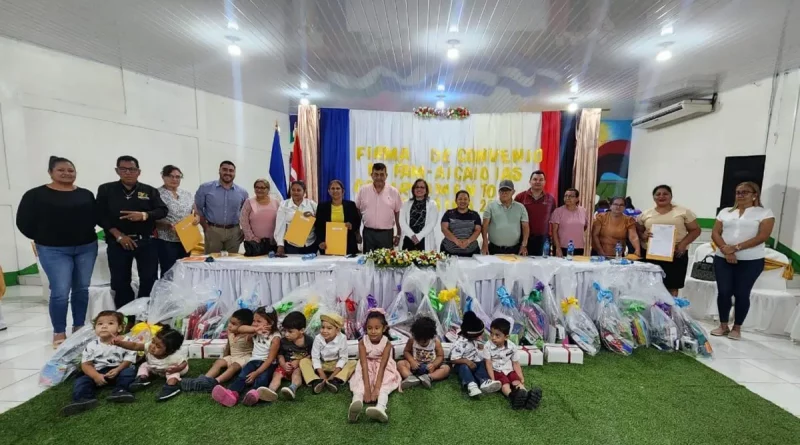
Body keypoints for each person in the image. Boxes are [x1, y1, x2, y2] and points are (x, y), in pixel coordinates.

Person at [16, 156, 98, 348]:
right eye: (61, 170)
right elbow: (24, 221)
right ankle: (59, 332)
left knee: (82, 289)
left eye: (70, 170)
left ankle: (79, 327)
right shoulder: (36, 194)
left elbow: (94, 216)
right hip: (53, 249)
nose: (67, 173)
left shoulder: (85, 194)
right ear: (51, 172)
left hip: (86, 247)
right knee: (60, 291)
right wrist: (42, 237)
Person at [96, 155, 167, 310]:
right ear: (117, 170)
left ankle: (144, 314)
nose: (128, 172)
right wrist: (118, 235)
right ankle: (125, 316)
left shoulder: (149, 191)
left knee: (149, 279)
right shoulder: (106, 190)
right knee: (120, 282)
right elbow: (100, 215)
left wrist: (144, 215)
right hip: (118, 241)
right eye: (124, 169)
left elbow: (162, 210)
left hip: (146, 241)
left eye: (132, 169)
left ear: (138, 172)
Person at [710, 182, 775, 341]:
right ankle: (723, 325)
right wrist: (726, 249)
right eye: (738, 192)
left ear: (755, 195)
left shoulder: (765, 213)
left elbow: (762, 236)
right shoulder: (725, 212)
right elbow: (715, 232)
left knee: (741, 293)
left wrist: (736, 248)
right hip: (723, 258)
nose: (740, 195)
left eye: (745, 192)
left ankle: (737, 327)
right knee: (724, 292)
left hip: (750, 261)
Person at [60, 311, 137, 416]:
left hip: (119, 369)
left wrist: (118, 369)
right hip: (98, 371)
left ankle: (121, 391)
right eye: (100, 324)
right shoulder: (92, 345)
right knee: (82, 380)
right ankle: (83, 399)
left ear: (119, 328)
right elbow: (86, 364)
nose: (104, 326)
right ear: (95, 328)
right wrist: (95, 376)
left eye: (110, 323)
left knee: (129, 372)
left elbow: (130, 357)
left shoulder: (126, 341)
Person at [638, 185, 701, 296]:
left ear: (671, 196)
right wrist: (643, 235)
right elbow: (638, 231)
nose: (661, 196)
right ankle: (652, 312)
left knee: (672, 287)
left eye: (665, 193)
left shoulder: (683, 212)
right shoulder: (646, 214)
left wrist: (683, 244)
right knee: (649, 285)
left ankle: (669, 312)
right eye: (658, 194)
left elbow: (695, 230)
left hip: (676, 254)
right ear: (653, 197)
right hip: (651, 255)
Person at [211, 307, 280, 407]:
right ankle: (231, 394)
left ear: (271, 323)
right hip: (254, 360)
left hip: (267, 364)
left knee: (262, 378)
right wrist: (256, 329)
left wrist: (256, 373)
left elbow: (270, 359)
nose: (255, 323)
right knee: (242, 375)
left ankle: (254, 394)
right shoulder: (255, 330)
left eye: (259, 321)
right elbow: (240, 329)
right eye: (254, 321)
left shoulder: (275, 338)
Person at [181, 308, 254, 393]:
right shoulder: (230, 332)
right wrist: (224, 358)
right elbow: (228, 346)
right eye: (230, 322)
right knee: (218, 362)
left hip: (244, 358)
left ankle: (215, 381)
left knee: (234, 366)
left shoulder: (247, 336)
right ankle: (203, 380)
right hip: (232, 356)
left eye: (234, 324)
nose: (230, 325)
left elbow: (253, 332)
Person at [348, 309, 401, 424]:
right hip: (366, 365)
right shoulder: (363, 342)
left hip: (383, 366)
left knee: (384, 386)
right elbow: (363, 364)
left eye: (377, 328)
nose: (373, 331)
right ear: (366, 328)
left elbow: (382, 366)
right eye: (369, 328)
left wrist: (376, 388)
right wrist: (367, 389)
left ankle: (381, 408)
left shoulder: (387, 343)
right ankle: (356, 403)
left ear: (384, 328)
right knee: (359, 383)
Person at [112, 325, 187, 402]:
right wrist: (120, 343)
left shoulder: (174, 357)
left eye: (158, 346)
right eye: (153, 342)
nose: (152, 346)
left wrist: (178, 368)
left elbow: (184, 363)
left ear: (169, 351)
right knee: (144, 365)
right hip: (155, 368)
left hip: (168, 369)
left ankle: (171, 386)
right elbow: (135, 346)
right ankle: (142, 378)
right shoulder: (149, 346)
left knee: (173, 374)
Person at [484, 318, 542, 410]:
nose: (493, 337)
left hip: (509, 369)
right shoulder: (487, 346)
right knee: (505, 383)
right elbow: (488, 363)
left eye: (497, 335)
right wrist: (493, 380)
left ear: (506, 337)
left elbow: (515, 363)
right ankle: (512, 396)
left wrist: (521, 377)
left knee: (516, 381)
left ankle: (527, 396)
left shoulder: (512, 346)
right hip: (497, 370)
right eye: (491, 333)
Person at [195, 160, 249, 254]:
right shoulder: (205, 188)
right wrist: (205, 227)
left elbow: (246, 214)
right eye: (224, 169)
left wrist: (244, 230)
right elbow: (198, 209)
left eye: (231, 170)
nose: (228, 173)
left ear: (234, 173)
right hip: (213, 230)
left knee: (232, 263)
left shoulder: (243, 192)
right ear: (219, 171)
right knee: (211, 262)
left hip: (234, 232)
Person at [260, 311, 313, 401]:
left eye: (290, 331)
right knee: (276, 375)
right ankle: (270, 391)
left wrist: (299, 362)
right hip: (285, 366)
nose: (286, 334)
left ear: (301, 330)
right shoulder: (284, 341)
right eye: (285, 330)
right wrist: (283, 364)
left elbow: (311, 355)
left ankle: (292, 388)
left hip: (298, 367)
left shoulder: (309, 341)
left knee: (297, 374)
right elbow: (280, 355)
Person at [155, 165, 197, 277]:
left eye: (178, 177)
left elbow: (195, 210)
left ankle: (182, 292)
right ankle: (167, 293)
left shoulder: (186, 194)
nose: (174, 179)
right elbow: (152, 217)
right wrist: (167, 225)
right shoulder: (156, 194)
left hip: (186, 238)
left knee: (185, 269)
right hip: (167, 239)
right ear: (163, 177)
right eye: (171, 176)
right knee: (169, 270)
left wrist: (197, 217)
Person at [300, 312, 357, 394]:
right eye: (323, 327)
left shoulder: (342, 338)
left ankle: (335, 380)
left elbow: (343, 358)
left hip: (335, 365)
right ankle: (315, 381)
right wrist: (321, 373)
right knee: (304, 361)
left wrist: (333, 375)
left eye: (329, 328)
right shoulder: (318, 338)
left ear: (337, 330)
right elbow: (315, 357)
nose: (324, 331)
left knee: (353, 362)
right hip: (322, 364)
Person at [450, 311, 501, 398]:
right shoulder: (460, 343)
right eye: (477, 336)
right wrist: (466, 362)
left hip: (473, 361)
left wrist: (479, 346)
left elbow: (474, 344)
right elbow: (453, 359)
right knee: (464, 367)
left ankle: (484, 381)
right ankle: (471, 385)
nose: (478, 337)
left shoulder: (471, 339)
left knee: (481, 363)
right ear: (471, 336)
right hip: (461, 364)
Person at [356, 163, 402, 253]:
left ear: (386, 176)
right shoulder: (363, 190)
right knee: (368, 262)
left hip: (386, 234)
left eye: (382, 174)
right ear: (371, 175)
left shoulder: (394, 192)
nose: (379, 177)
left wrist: (399, 234)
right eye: (376, 174)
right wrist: (357, 231)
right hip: (368, 233)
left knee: (385, 263)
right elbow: (358, 212)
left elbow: (397, 214)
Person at [397, 316, 451, 389]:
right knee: (400, 363)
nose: (422, 343)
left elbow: (440, 356)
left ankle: (429, 377)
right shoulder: (412, 340)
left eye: (425, 341)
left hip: (430, 368)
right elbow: (406, 351)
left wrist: (434, 365)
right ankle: (410, 378)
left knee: (446, 368)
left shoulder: (435, 342)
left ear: (431, 336)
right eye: (419, 340)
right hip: (415, 366)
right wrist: (412, 361)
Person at [481, 180, 529, 256]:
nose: (504, 193)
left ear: (513, 192)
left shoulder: (520, 207)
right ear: (498, 192)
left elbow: (525, 227)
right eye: (502, 190)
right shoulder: (491, 206)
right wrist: (485, 243)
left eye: (507, 190)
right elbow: (484, 226)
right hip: (494, 248)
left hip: (514, 249)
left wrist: (524, 245)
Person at [515, 171, 556, 255]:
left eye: (541, 180)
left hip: (543, 240)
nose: (538, 182)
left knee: (543, 265)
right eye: (535, 179)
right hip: (523, 239)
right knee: (522, 265)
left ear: (545, 182)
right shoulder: (520, 197)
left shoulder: (551, 199)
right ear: (530, 182)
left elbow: (554, 221)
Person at [315, 180, 362, 255]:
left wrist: (351, 225)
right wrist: (320, 241)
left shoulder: (351, 205)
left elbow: (357, 222)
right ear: (329, 191)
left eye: (338, 188)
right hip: (328, 246)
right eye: (332, 188)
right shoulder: (322, 207)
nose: (335, 190)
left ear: (343, 191)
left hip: (348, 245)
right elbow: (318, 227)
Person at [275, 181, 318, 255]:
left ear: (304, 191)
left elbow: (319, 222)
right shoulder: (284, 205)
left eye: (298, 190)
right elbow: (280, 226)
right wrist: (280, 245)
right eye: (293, 190)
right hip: (292, 245)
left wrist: (313, 217)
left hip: (310, 244)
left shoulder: (312, 204)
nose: (295, 192)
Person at [239, 178, 279, 254]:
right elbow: (243, 221)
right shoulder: (249, 202)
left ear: (268, 189)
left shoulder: (276, 202)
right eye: (257, 187)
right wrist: (251, 238)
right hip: (254, 244)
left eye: (262, 188)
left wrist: (277, 239)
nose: (259, 190)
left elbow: (281, 221)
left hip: (273, 243)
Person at [399, 179, 439, 251]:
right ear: (413, 189)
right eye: (417, 187)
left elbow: (432, 223)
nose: (419, 189)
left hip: (424, 238)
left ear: (426, 190)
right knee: (406, 260)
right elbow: (402, 221)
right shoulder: (406, 203)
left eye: (422, 187)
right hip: (409, 238)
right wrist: (412, 236)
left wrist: (419, 236)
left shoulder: (432, 204)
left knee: (425, 261)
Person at [440, 190, 483, 257]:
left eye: (465, 199)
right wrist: (457, 241)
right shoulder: (449, 213)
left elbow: (478, 230)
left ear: (469, 201)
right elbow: (444, 229)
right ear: (456, 201)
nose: (463, 201)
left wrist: (468, 241)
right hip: (449, 251)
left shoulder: (475, 215)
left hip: (471, 251)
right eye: (460, 199)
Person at [550, 188, 588, 257]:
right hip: (562, 247)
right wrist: (558, 248)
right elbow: (554, 231)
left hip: (579, 247)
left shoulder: (583, 211)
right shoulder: (558, 211)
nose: (567, 198)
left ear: (577, 199)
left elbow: (584, 227)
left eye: (571, 196)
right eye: (566, 196)